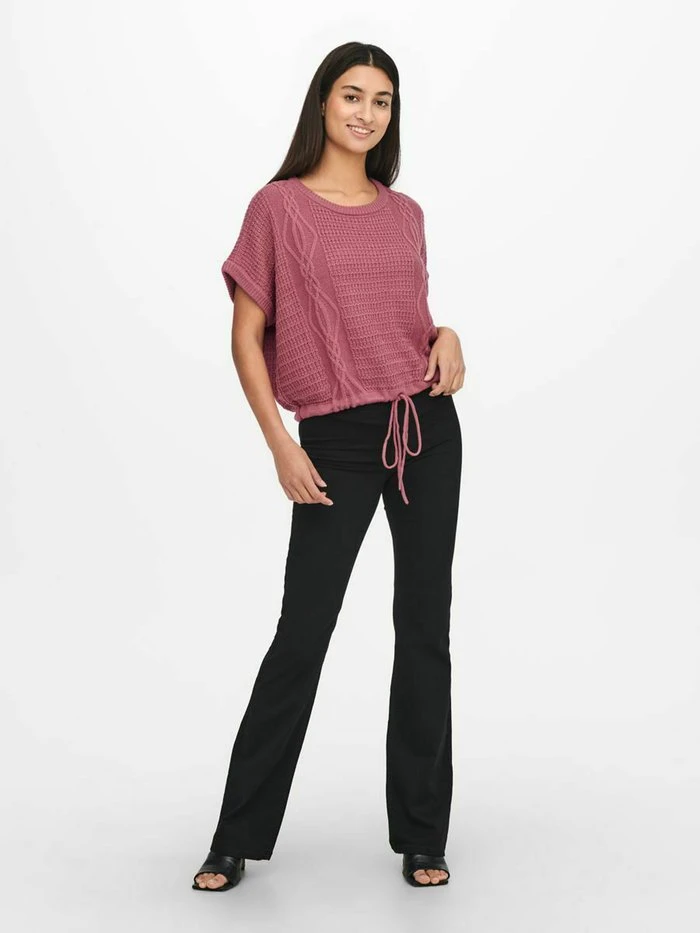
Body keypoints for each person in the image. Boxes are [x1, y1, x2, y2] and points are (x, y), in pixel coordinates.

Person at [193, 40, 466, 892]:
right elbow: (246, 337)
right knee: (302, 632)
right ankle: (235, 836)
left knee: (424, 629)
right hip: (334, 442)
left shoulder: (405, 212)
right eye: (352, 95)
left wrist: (448, 335)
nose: (366, 113)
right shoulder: (277, 207)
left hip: (426, 428)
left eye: (382, 100)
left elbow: (406, 319)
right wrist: (281, 444)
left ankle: (422, 833)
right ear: (322, 102)